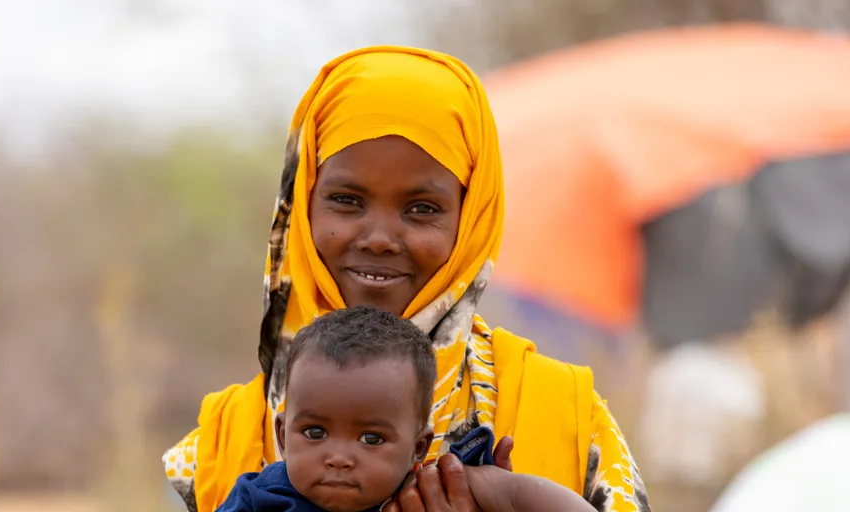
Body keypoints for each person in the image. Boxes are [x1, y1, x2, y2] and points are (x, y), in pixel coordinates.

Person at [163, 45, 652, 512]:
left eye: (422, 209)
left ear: (472, 220)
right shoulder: (220, 446)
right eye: (347, 200)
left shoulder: (564, 415)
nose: (379, 237)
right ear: (301, 204)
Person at [216, 305, 592, 512]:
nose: (339, 457)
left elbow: (521, 496)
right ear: (283, 435)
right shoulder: (260, 498)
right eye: (315, 433)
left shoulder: (440, 490)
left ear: (419, 447)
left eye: (371, 438)